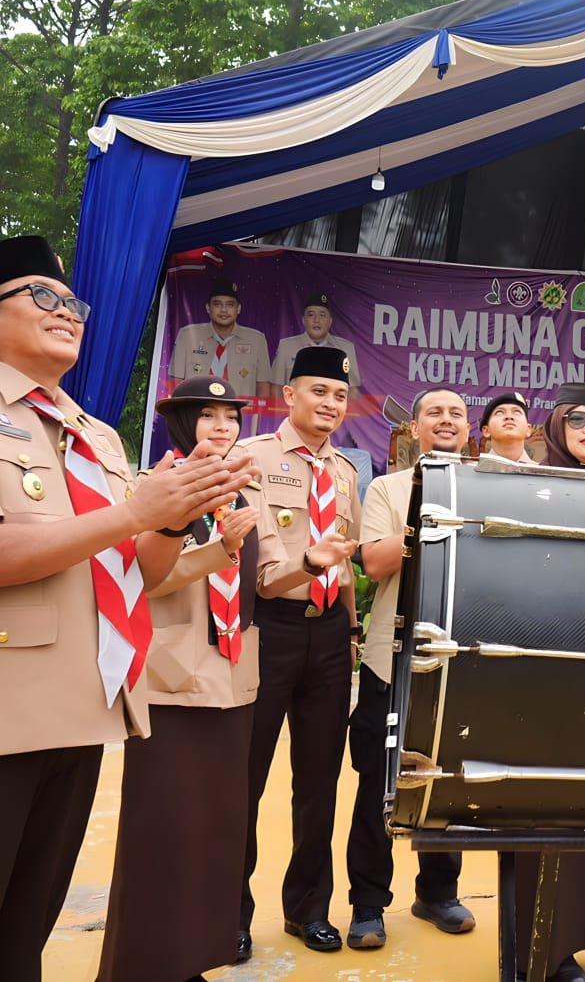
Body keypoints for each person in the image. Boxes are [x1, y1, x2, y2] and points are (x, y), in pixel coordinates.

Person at [0, 235, 252, 982]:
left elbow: (135, 576)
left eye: (73, 303)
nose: (67, 312)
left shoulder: (96, 435)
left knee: (20, 943)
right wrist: (136, 513)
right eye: (43, 297)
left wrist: (179, 515)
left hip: (79, 712)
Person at [98, 378, 263, 982]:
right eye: (206, 415)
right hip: (171, 680)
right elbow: (139, 579)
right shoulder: (156, 485)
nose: (222, 426)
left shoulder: (244, 488)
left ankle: (193, 957)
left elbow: (256, 579)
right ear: (180, 422)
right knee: (162, 828)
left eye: (230, 415)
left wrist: (312, 565)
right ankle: (143, 965)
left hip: (233, 677)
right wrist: (217, 550)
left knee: (216, 829)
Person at [238, 346, 361, 957]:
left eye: (339, 395)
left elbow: (348, 559)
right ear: (289, 396)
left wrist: (351, 626)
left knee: (319, 782)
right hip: (270, 630)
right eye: (319, 392)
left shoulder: (345, 471)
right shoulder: (253, 458)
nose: (330, 404)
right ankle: (229, 912)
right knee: (246, 777)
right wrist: (306, 565)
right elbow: (256, 569)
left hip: (329, 636)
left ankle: (308, 910)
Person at [345, 387, 475, 949]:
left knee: (449, 782)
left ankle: (438, 894)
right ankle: (367, 904)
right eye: (435, 413)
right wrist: (434, 518)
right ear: (415, 429)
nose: (445, 421)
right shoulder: (389, 488)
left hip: (463, 661)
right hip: (390, 658)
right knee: (379, 782)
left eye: (456, 414)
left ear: (470, 429)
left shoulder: (489, 489)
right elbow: (374, 562)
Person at [512, 381, 585, 982]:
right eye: (576, 419)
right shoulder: (524, 489)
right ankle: (539, 950)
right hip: (543, 666)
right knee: (542, 805)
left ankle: (575, 938)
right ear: (554, 429)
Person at [168, 278, 273, 400]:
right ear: (208, 307)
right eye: (217, 304)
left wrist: (257, 418)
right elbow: (176, 384)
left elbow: (263, 388)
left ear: (238, 309)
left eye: (230, 305)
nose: (223, 310)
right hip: (196, 415)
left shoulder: (256, 340)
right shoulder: (188, 336)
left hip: (240, 416)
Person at [271, 291, 363, 392]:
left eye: (322, 315)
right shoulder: (286, 346)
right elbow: (276, 388)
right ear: (303, 320)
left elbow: (353, 392)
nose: (316, 320)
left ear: (330, 321)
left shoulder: (345, 348)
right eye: (311, 315)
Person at [481, 390, 533, 463]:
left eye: (517, 412)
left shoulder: (541, 473)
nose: (509, 417)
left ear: (528, 429)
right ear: (486, 430)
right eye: (499, 412)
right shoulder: (470, 471)